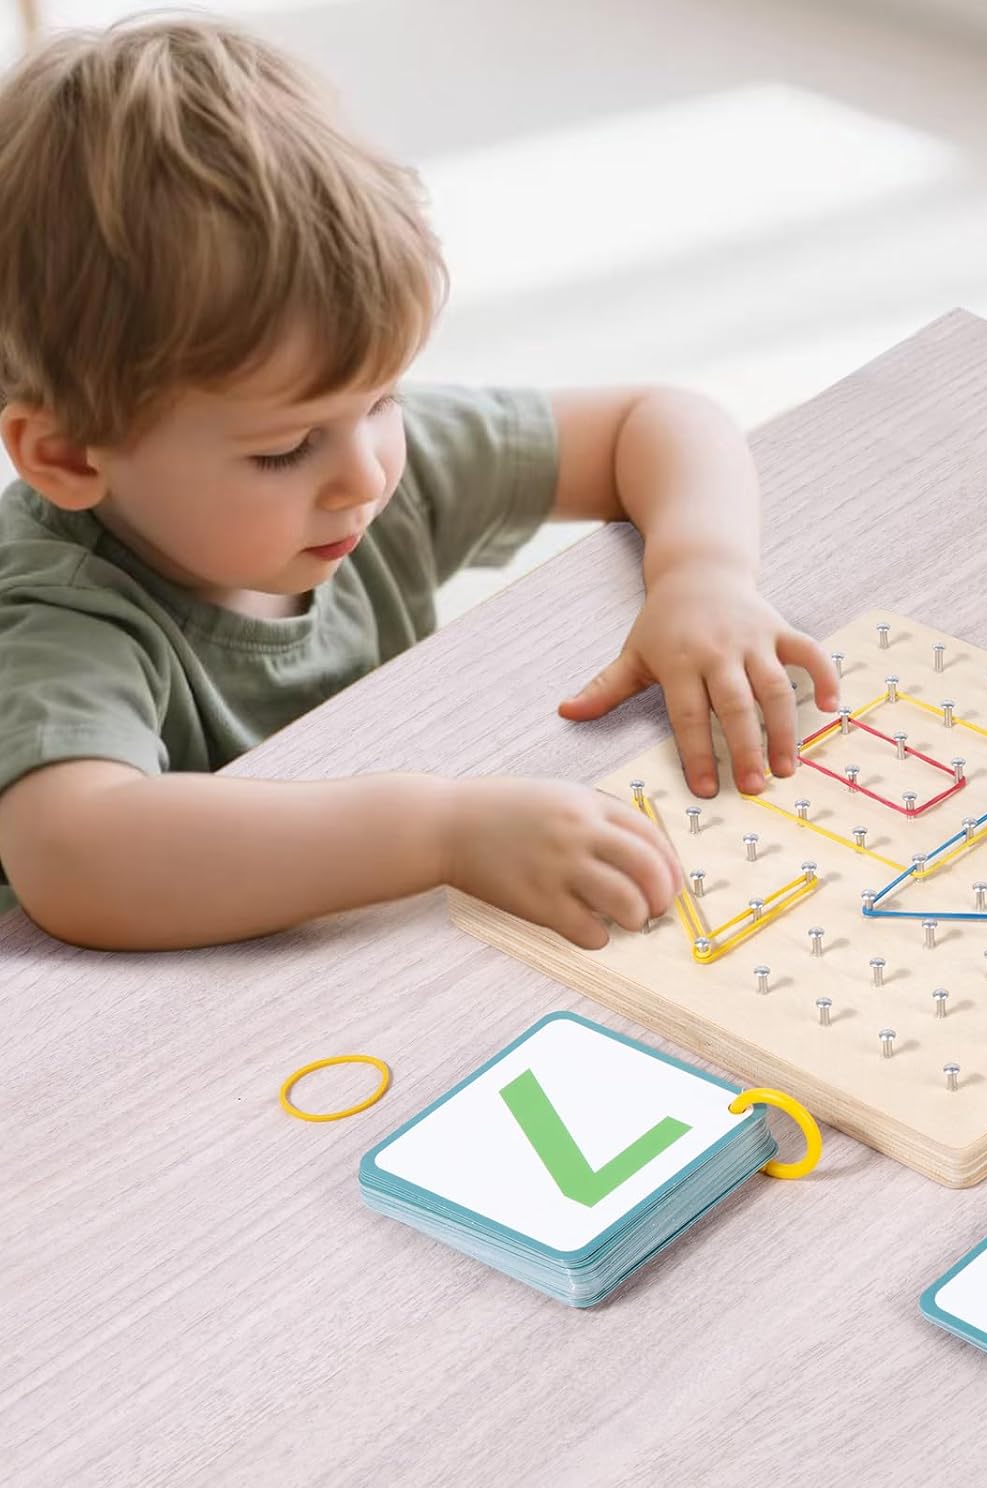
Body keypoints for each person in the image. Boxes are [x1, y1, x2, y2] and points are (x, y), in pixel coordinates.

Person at [0, 17, 838, 950]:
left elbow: (663, 420)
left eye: (384, 399)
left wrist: (702, 574)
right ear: (71, 458)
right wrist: (438, 832)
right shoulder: (51, 617)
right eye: (284, 449)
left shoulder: (344, 450)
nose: (364, 475)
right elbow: (78, 862)